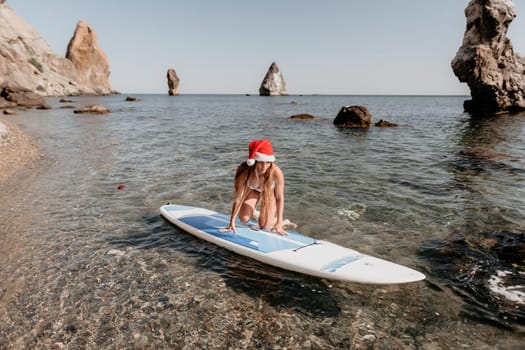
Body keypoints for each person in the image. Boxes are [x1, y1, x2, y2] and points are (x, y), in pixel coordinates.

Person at [221, 139, 293, 236]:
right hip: (253, 190)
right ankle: (257, 213)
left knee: (265, 225)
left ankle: (284, 222)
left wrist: (279, 223)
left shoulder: (276, 172)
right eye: (261, 162)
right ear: (255, 161)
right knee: (244, 219)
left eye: (268, 162)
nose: (264, 166)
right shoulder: (244, 171)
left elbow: (279, 198)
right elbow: (238, 198)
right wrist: (231, 222)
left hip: (269, 192)